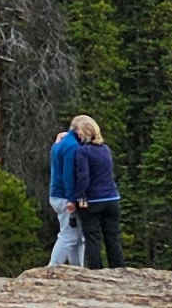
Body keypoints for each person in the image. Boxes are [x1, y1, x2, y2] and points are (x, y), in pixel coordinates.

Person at [66, 115, 124, 268]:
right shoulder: (105, 149)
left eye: (78, 131)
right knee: (113, 237)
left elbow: (83, 177)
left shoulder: (83, 151)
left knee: (93, 239)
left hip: (93, 201)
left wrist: (78, 197)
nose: (77, 134)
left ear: (84, 133)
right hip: (112, 198)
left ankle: (96, 271)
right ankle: (118, 268)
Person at [46, 120, 88, 266]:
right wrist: (72, 199)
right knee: (69, 235)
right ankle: (51, 268)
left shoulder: (60, 144)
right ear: (80, 130)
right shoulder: (72, 146)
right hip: (65, 196)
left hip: (56, 195)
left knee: (75, 236)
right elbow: (69, 174)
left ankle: (77, 269)